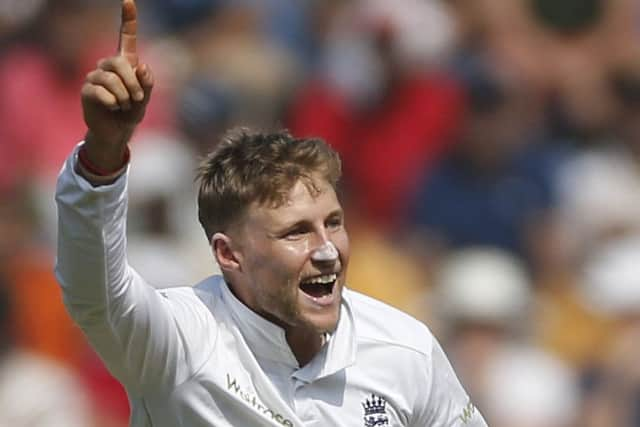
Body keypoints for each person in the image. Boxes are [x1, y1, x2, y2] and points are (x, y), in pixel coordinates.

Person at [54, 1, 486, 426]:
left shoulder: (404, 348)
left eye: (333, 223)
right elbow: (95, 294)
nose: (327, 252)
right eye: (296, 232)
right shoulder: (181, 341)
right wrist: (103, 153)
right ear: (229, 254)